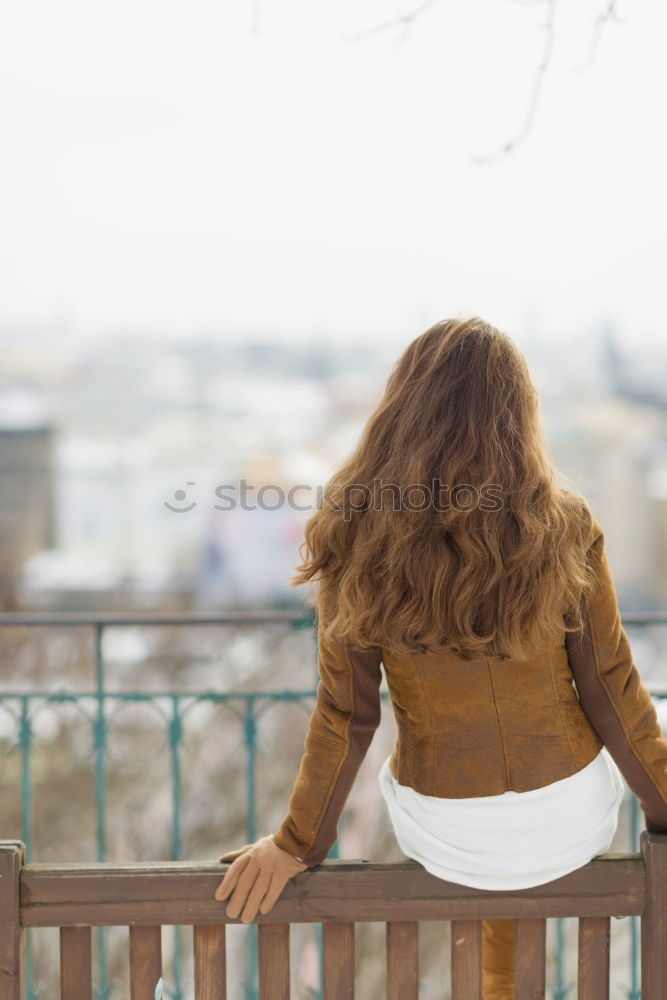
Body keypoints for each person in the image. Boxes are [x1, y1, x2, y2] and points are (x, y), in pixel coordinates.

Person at [214, 318, 667, 999]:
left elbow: (346, 716)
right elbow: (608, 686)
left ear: (401, 407)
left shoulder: (355, 525)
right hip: (565, 819)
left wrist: (295, 844)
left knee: (461, 830)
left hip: (445, 829)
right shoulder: (563, 522)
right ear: (516, 414)